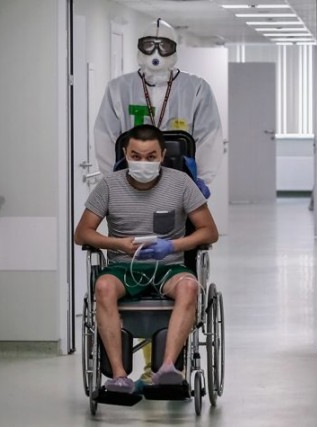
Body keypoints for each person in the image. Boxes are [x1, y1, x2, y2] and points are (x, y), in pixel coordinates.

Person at [74, 124, 218, 393]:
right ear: (125, 155)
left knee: (189, 287)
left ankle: (167, 369)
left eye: (151, 157)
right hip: (123, 266)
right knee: (102, 287)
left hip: (168, 266)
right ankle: (119, 377)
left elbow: (209, 231)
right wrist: (117, 243)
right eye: (136, 156)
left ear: (162, 155)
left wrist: (171, 245)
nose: (143, 162)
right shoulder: (109, 186)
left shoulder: (181, 183)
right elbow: (82, 234)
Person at [93, 18, 224, 198]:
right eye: (148, 45)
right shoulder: (119, 88)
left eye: (164, 46)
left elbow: (210, 135)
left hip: (180, 180)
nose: (156, 53)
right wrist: (113, 180)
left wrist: (200, 179)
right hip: (130, 181)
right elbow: (105, 135)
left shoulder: (196, 88)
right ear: (139, 47)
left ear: (174, 49)